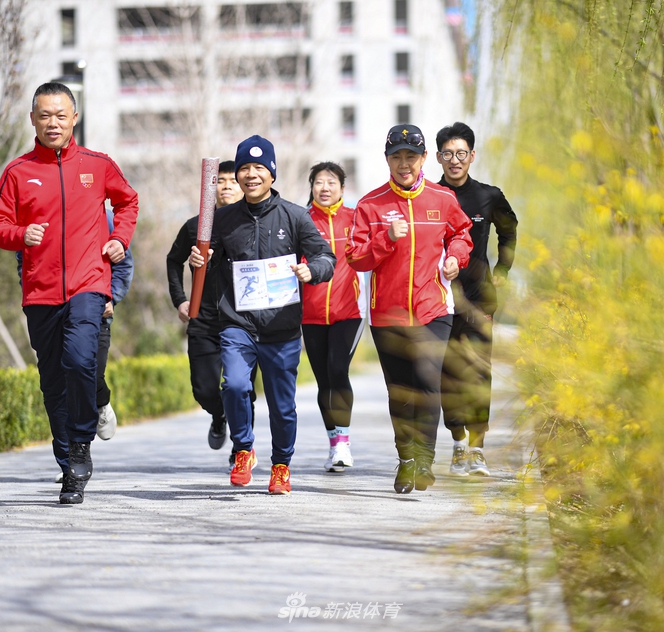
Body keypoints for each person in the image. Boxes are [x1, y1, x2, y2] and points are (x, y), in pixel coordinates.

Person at [0, 82, 138, 505]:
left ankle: (80, 447)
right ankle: (67, 459)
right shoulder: (17, 172)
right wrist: (21, 234)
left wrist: (120, 239)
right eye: (44, 116)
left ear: (74, 118)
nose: (52, 123)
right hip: (40, 291)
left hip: (89, 283)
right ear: (33, 120)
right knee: (53, 380)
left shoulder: (98, 165)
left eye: (60, 115)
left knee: (79, 360)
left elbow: (128, 203)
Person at [188, 135, 335, 494]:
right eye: (244, 169)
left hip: (281, 328)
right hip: (237, 324)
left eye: (258, 168)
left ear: (271, 173)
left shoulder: (296, 216)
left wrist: (311, 270)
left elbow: (326, 257)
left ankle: (281, 465)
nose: (251, 175)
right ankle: (243, 449)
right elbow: (208, 259)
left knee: (282, 407)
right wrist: (200, 260)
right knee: (235, 385)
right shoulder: (223, 219)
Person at [346, 124, 473, 494]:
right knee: (401, 391)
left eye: (411, 156)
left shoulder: (443, 198)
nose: (404, 163)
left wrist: (456, 257)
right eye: (397, 156)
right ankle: (405, 460)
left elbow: (461, 233)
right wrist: (385, 238)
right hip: (387, 314)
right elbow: (356, 257)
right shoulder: (371, 205)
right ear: (387, 160)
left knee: (428, 381)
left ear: (423, 159)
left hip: (433, 309)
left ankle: (424, 460)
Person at [17, 215, 134, 485]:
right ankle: (69, 463)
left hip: (94, 310)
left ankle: (100, 400)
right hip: (49, 309)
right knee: (57, 385)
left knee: (87, 370)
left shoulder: (104, 219)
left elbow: (123, 263)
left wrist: (112, 296)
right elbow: (23, 262)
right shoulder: (39, 217)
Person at [435, 122, 517, 477]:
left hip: (480, 298)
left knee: (479, 372)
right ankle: (457, 444)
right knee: (449, 373)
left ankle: (478, 448)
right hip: (439, 299)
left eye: (461, 153)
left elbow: (509, 230)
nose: (455, 160)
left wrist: (503, 270)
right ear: (438, 157)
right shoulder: (430, 197)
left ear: (472, 155)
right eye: (448, 154)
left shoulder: (488, 195)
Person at [166, 160, 258, 466]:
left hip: (244, 322)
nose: (227, 186)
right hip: (204, 321)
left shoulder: (252, 224)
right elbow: (173, 260)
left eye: (233, 181)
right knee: (204, 390)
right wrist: (180, 300)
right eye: (221, 181)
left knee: (242, 389)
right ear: (211, 187)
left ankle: (241, 449)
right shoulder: (195, 226)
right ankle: (220, 416)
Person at [301, 162, 366, 473]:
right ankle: (333, 444)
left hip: (349, 311)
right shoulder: (300, 220)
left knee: (337, 368)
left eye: (331, 182)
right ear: (311, 187)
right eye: (318, 182)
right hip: (311, 314)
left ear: (342, 187)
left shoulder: (355, 219)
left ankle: (343, 443)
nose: (324, 188)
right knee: (323, 380)